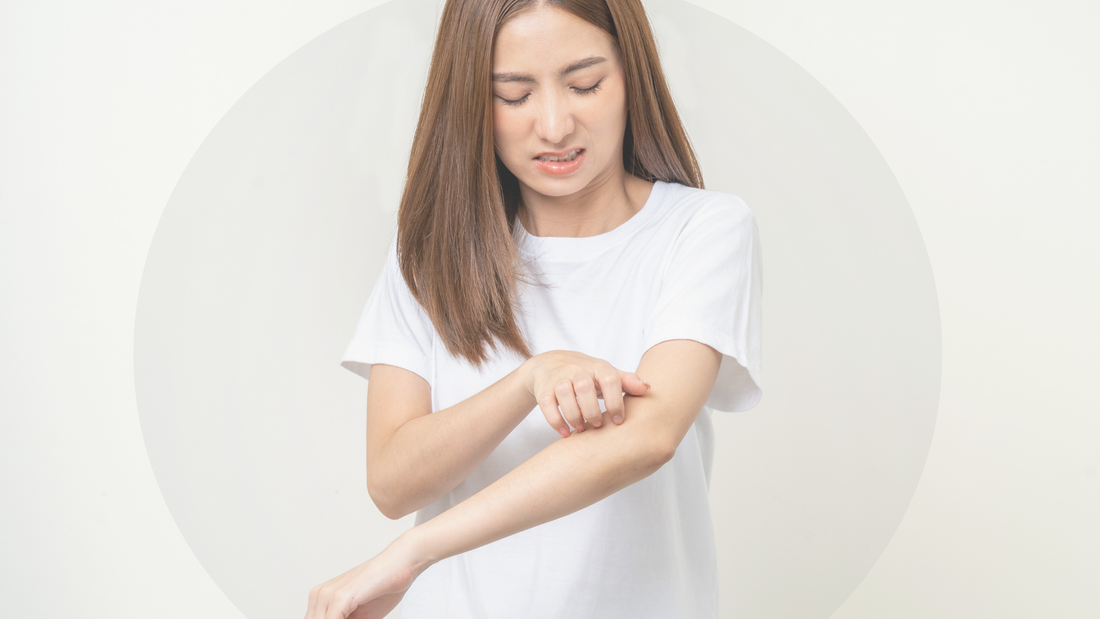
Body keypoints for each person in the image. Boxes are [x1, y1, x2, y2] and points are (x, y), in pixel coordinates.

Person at [303, 0, 762, 616]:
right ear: (470, 101)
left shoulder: (701, 229)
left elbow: (648, 436)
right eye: (513, 95)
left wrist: (412, 553)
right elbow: (392, 479)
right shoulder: (429, 250)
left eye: (585, 84)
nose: (553, 125)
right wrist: (528, 381)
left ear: (632, 77)